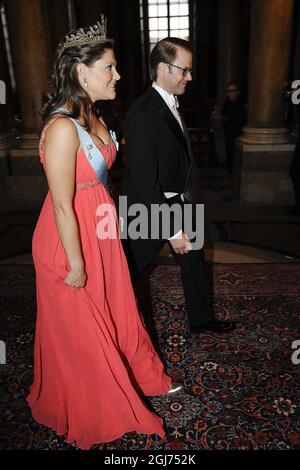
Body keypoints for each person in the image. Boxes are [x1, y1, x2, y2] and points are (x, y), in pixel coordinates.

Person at [26, 17, 182, 451]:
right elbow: (61, 203)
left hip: (101, 226)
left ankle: (141, 375)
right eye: (110, 67)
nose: (118, 75)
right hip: (68, 236)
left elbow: (97, 177)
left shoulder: (92, 113)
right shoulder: (61, 128)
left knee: (118, 306)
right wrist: (76, 263)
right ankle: (99, 402)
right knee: (85, 323)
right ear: (83, 72)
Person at [121, 37, 236, 334]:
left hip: (180, 200)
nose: (190, 77)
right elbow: (145, 182)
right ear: (163, 68)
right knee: (128, 271)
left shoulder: (169, 103)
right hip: (147, 207)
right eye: (184, 70)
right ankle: (109, 328)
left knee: (195, 260)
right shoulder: (143, 115)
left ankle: (202, 319)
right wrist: (171, 230)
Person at [221, 81, 246, 172]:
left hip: (237, 134)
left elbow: (240, 121)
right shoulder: (227, 102)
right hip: (228, 131)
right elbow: (223, 115)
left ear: (237, 92)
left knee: (234, 154)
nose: (229, 92)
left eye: (232, 90)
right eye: (228, 90)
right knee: (229, 151)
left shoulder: (240, 104)